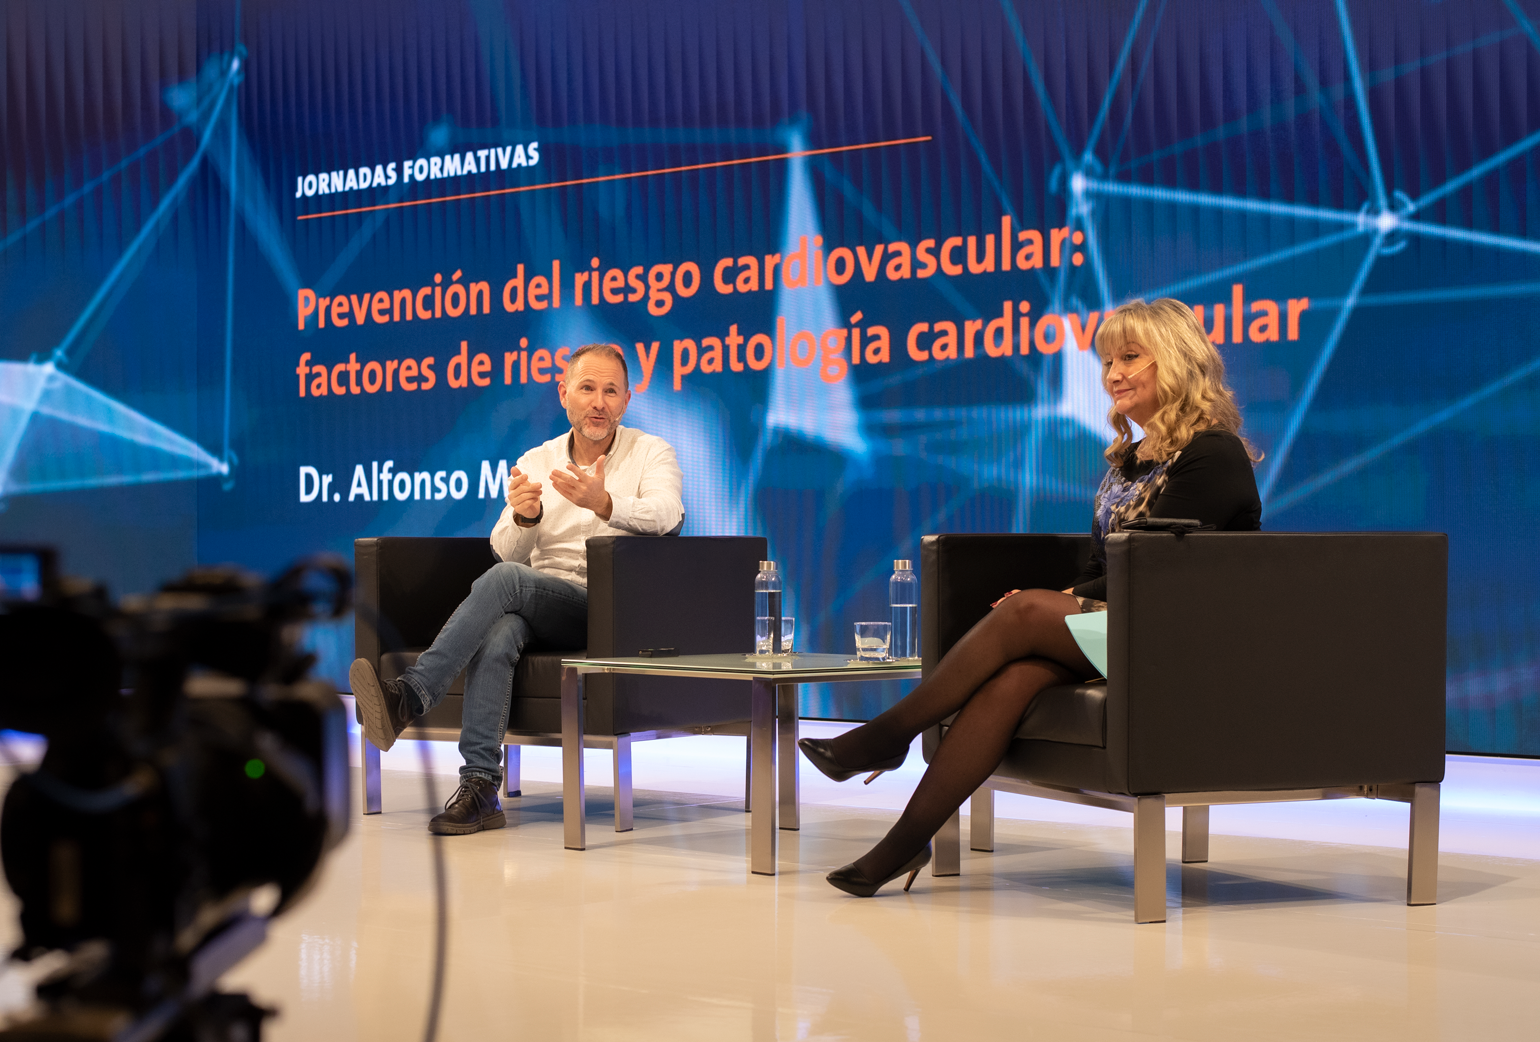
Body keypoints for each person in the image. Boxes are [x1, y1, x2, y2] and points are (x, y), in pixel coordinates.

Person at [800, 297, 1263, 897]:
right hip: (1125, 625)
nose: (1113, 374)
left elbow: (1149, 569)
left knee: (1024, 609)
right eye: (1107, 362)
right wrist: (1064, 596)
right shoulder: (1130, 458)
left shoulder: (1211, 453)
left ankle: (889, 734)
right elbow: (1103, 565)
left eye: (1129, 357)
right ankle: (904, 842)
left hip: (1180, 638)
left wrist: (1052, 600)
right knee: (1014, 679)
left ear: (1174, 360)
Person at [351, 343, 685, 835]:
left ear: (627, 399)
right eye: (587, 388)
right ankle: (481, 787)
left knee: (508, 584)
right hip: (544, 603)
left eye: (611, 391)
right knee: (501, 630)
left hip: (610, 607)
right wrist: (526, 518)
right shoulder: (537, 459)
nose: (599, 402)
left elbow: (668, 515)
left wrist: (606, 503)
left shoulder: (651, 452)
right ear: (564, 394)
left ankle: (411, 696)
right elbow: (505, 550)